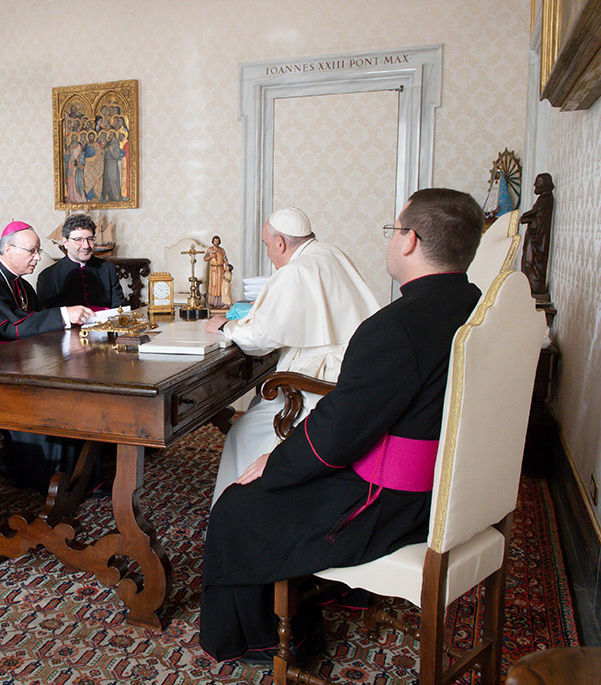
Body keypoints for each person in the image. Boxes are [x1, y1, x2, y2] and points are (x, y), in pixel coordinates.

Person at [199, 188, 485, 663]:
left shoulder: (397, 326)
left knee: (238, 507)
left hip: (395, 501)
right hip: (445, 485)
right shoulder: (473, 304)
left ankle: (263, 642)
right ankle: (330, 588)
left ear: (410, 240)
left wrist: (276, 463)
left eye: (394, 231)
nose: (392, 240)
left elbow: (338, 434)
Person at [205, 207, 379, 504]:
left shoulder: (295, 271)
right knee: (260, 404)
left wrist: (228, 327)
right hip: (356, 371)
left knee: (243, 431)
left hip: (319, 384)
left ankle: (238, 506)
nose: (270, 254)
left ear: (281, 243)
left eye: (267, 245)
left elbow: (260, 339)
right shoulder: (330, 253)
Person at [0, 220, 94, 493]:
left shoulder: (22, 285)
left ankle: (78, 476)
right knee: (54, 404)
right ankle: (41, 477)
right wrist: (63, 314)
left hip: (24, 363)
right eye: (32, 251)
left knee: (76, 391)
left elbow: (34, 323)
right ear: (9, 250)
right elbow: (13, 328)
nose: (37, 258)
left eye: (38, 251)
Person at [37, 213, 127, 310]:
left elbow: (120, 308)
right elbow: (50, 316)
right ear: (65, 242)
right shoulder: (48, 276)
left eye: (90, 239)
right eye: (78, 240)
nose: (86, 246)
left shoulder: (107, 268)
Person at [203, 235, 229, 309]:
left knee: (220, 285)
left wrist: (227, 266)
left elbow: (225, 259)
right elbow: (205, 258)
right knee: (213, 285)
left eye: (217, 241)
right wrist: (211, 256)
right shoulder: (210, 249)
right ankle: (212, 302)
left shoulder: (222, 250)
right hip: (213, 269)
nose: (216, 242)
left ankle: (220, 303)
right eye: (215, 241)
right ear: (213, 241)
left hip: (220, 269)